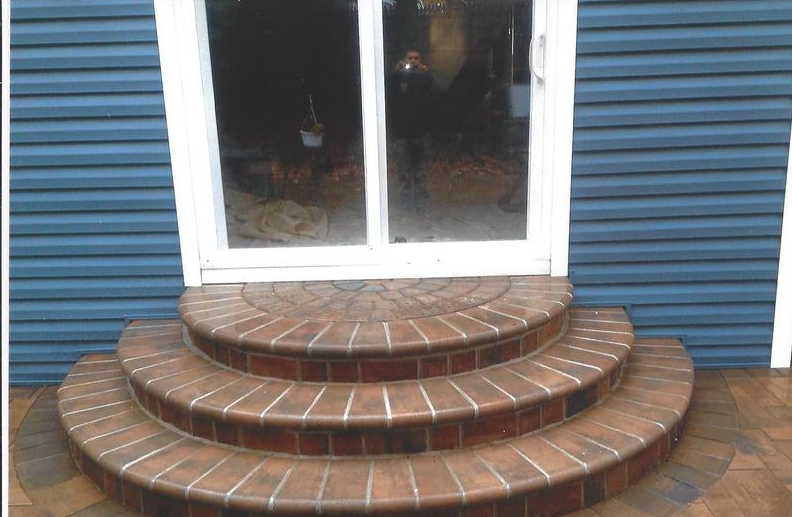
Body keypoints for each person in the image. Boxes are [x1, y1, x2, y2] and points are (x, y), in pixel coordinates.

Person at [387, 48, 434, 212]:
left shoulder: (424, 77)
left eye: (416, 58)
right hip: (402, 133)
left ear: (420, 60)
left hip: (420, 133)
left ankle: (422, 206)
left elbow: (433, 96)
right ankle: (405, 206)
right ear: (404, 60)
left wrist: (426, 74)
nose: (413, 62)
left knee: (421, 172)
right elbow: (388, 92)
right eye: (410, 58)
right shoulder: (398, 77)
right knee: (404, 171)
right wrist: (396, 72)